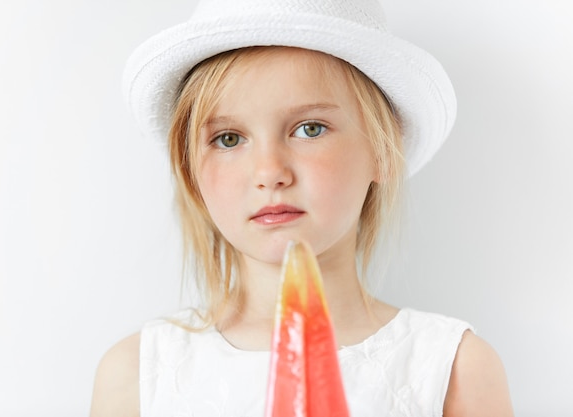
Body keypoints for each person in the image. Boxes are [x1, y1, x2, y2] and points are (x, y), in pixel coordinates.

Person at [90, 0, 514, 415]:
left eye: (309, 129)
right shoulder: (136, 376)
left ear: (383, 152)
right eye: (229, 139)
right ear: (192, 174)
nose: (270, 172)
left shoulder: (453, 368)